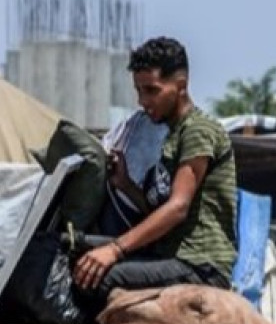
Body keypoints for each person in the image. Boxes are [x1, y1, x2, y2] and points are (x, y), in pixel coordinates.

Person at [73, 37, 238, 303]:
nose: (143, 101)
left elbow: (177, 208)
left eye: (152, 90)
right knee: (75, 252)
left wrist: (115, 249)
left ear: (181, 86)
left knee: (99, 279)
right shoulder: (172, 135)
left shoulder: (198, 131)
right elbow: (162, 212)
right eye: (138, 91)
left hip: (199, 265)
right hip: (175, 257)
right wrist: (125, 185)